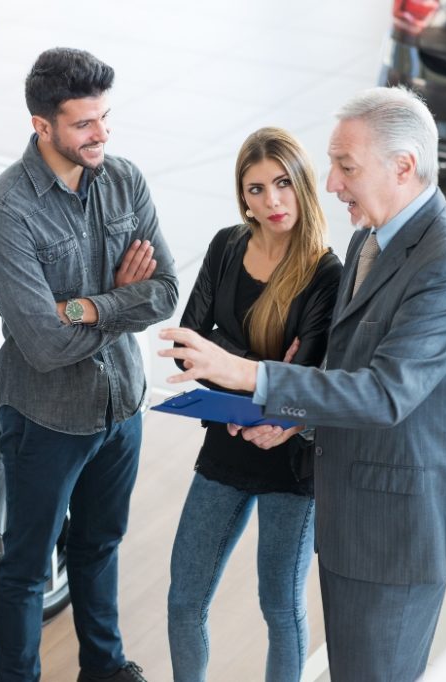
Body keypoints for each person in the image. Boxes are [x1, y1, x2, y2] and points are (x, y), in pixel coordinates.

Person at [159, 86, 446, 682]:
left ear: (403, 166)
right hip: (350, 512)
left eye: (346, 166)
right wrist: (293, 416)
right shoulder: (369, 239)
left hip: (396, 530)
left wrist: (247, 373)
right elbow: (343, 370)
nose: (332, 183)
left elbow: (385, 393)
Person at [0, 47, 178, 682]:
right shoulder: (6, 214)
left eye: (105, 118)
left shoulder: (125, 180)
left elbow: (166, 291)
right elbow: (42, 344)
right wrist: (122, 301)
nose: (102, 135)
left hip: (121, 407)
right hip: (47, 420)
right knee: (28, 568)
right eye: (85, 124)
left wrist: (87, 306)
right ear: (43, 126)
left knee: (100, 546)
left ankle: (105, 670)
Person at [167, 128, 342, 682]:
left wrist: (226, 358)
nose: (272, 202)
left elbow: (305, 378)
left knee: (279, 609)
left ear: (303, 184)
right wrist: (257, 365)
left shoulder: (324, 273)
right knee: (183, 599)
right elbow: (185, 345)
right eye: (257, 189)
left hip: (290, 459)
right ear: (242, 196)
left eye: (283, 184)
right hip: (227, 442)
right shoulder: (226, 246)